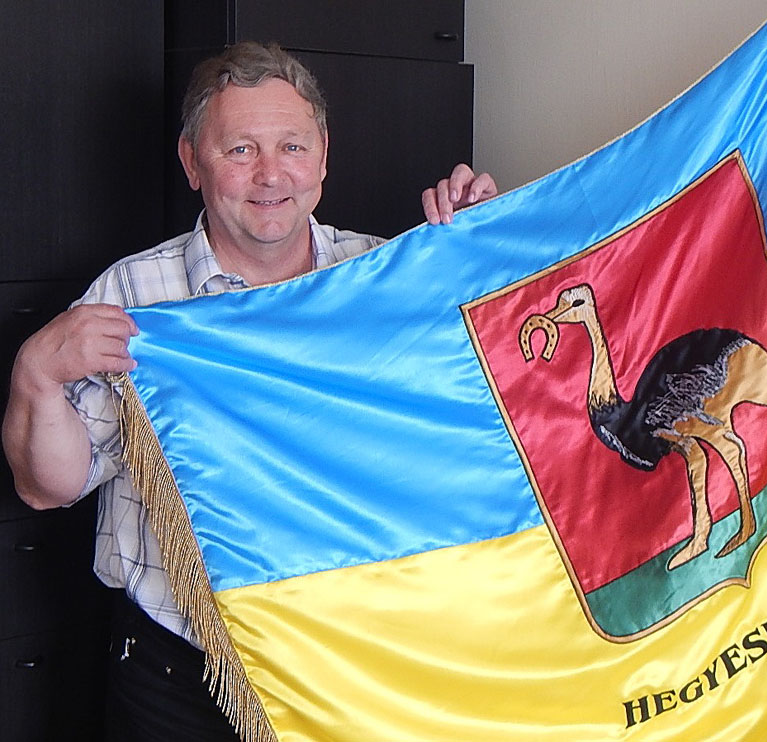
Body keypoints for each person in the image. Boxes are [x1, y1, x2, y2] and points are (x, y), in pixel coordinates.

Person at [1, 41, 496, 741]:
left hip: (356, 667)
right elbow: (48, 487)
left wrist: (488, 248)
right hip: (178, 678)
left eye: (292, 146)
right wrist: (37, 373)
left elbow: (501, 398)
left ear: (323, 156)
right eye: (239, 150)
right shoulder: (133, 297)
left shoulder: (388, 277)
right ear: (192, 162)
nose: (270, 175)